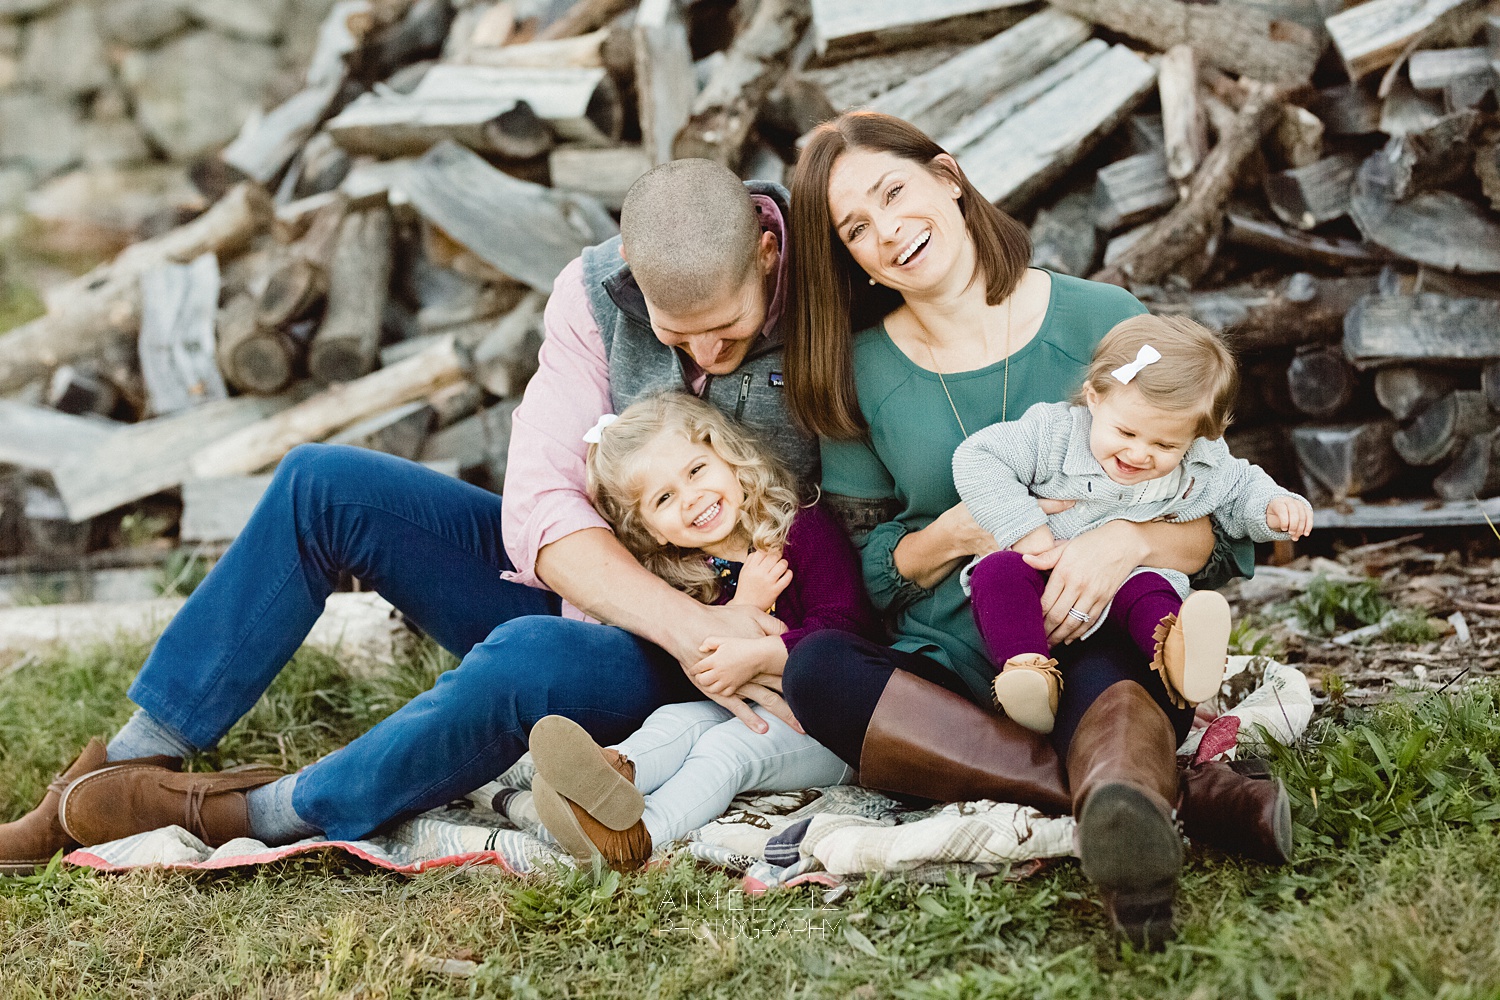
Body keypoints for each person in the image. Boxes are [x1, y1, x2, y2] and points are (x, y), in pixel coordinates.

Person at [1, 158, 840, 871]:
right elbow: (541, 503)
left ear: (768, 253)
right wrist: (684, 628)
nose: (704, 355)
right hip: (623, 599)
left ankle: (257, 814)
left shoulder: (832, 300)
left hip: (741, 643)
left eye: (725, 331)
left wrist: (740, 638)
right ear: (633, 266)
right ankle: (119, 770)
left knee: (527, 657)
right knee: (321, 483)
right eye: (678, 333)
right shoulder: (592, 291)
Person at [779, 111, 1290, 948]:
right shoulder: (859, 368)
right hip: (953, 657)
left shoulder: (1104, 323)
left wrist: (1125, 542)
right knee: (819, 670)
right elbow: (871, 574)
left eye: (894, 192)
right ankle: (1175, 798)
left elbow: (1223, 531)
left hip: (1098, 627)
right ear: (848, 257)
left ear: (948, 176)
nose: (888, 232)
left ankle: (1134, 852)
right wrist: (953, 533)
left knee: (1111, 660)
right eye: (856, 228)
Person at [525, 393, 874, 870]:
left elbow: (844, 631)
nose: (691, 499)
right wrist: (743, 607)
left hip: (832, 727)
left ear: (730, 458)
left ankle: (638, 838)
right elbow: (702, 675)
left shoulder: (800, 528)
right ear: (652, 531)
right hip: (754, 713)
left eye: (696, 471)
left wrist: (751, 625)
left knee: (723, 749)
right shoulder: (687, 576)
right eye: (664, 499)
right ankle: (607, 779)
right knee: (675, 723)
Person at [956, 314, 1313, 735]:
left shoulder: (1201, 463)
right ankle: (1028, 673)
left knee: (1151, 592)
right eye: (1126, 432)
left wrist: (1273, 506)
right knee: (997, 572)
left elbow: (1240, 486)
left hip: (1128, 579)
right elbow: (977, 457)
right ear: (1094, 398)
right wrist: (1025, 530)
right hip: (1040, 571)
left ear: (1196, 438)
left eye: (1164, 444)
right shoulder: (1053, 433)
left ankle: (1179, 659)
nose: (1140, 454)